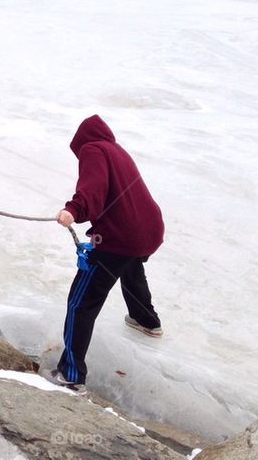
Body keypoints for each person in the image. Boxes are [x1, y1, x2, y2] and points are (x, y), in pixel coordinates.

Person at [52, 115, 165, 393]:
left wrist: (73, 210)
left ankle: (71, 374)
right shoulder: (116, 150)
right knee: (130, 266)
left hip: (121, 236)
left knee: (81, 303)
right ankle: (146, 320)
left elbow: (94, 189)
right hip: (148, 229)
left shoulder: (92, 149)